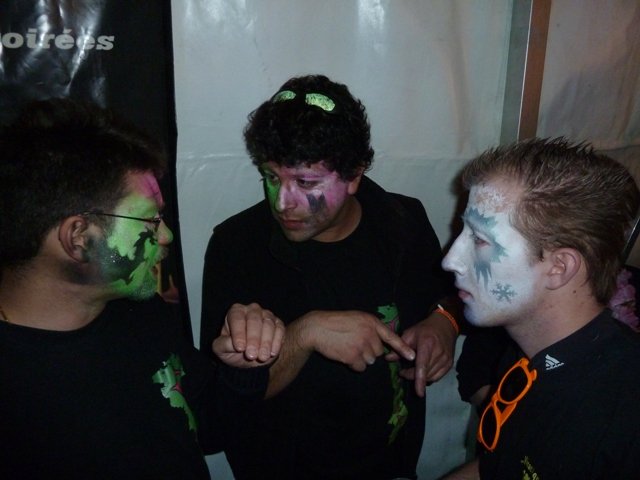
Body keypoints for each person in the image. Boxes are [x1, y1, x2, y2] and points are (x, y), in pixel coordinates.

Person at [0, 98, 284, 479]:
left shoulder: (139, 310)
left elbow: (204, 429)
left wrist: (241, 371)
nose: (166, 236)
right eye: (150, 221)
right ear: (78, 238)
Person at [200, 74, 461, 479]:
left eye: (305, 182)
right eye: (272, 177)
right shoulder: (236, 245)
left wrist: (444, 323)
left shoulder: (403, 220)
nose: (282, 202)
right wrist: (305, 334)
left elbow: (449, 296)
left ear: (354, 175)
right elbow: (222, 402)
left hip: (391, 464)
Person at [441, 138, 640, 479]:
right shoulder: (526, 355)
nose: (450, 260)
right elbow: (497, 467)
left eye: (480, 239)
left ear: (559, 268)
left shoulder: (625, 417)